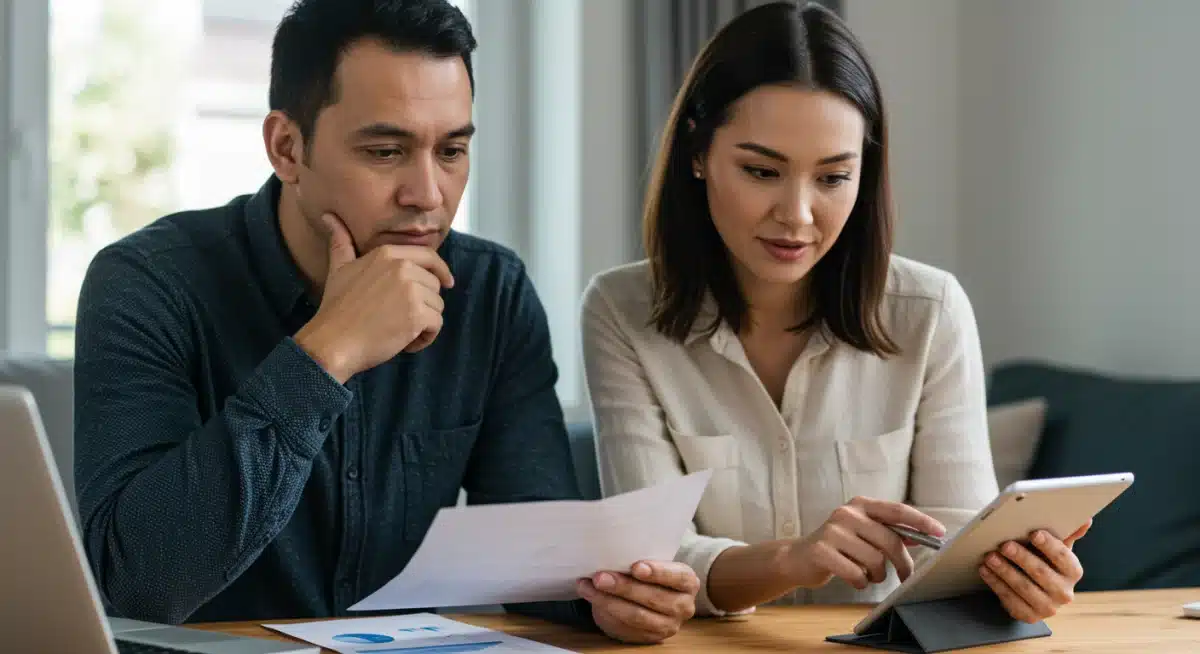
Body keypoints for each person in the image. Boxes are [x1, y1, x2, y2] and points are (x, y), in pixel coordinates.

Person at [72, 0, 697, 643]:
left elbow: (540, 559)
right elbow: (138, 582)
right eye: (386, 151)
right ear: (287, 148)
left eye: (451, 150)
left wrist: (611, 597)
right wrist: (326, 353)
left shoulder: (490, 292)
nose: (427, 194)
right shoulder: (149, 284)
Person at [580, 1, 1089, 622]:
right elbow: (653, 561)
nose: (797, 215)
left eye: (832, 178)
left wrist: (1017, 581)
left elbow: (955, 549)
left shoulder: (930, 312)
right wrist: (793, 559)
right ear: (697, 153)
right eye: (761, 171)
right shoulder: (621, 312)